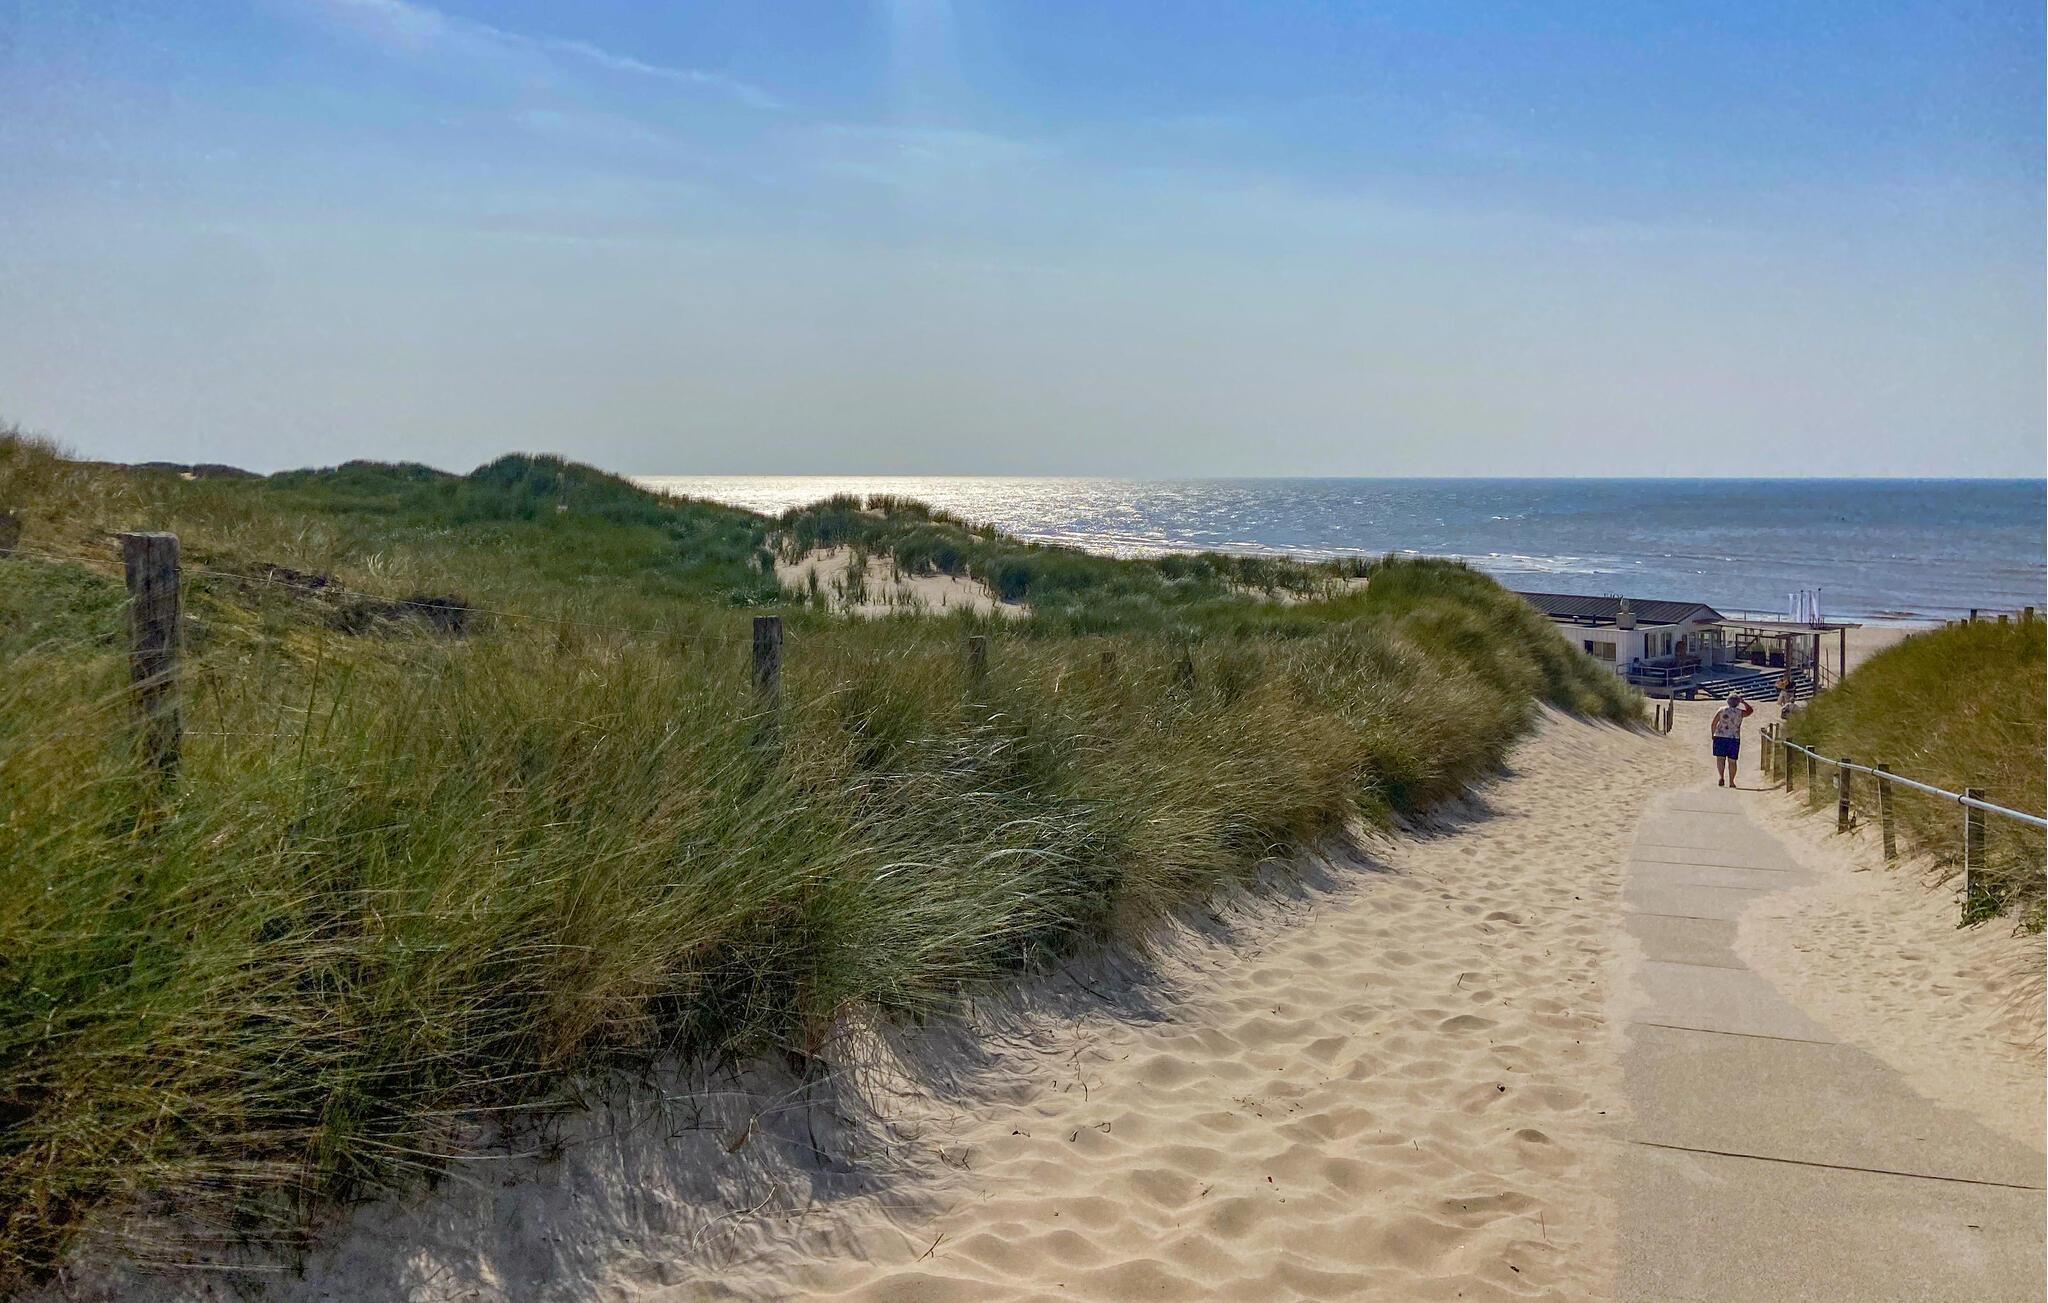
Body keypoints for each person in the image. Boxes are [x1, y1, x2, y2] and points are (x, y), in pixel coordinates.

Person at [1711, 694, 1754, 787]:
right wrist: (1744, 702)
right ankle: (1731, 781)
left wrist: (1713, 734)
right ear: (1737, 703)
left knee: (1720, 758)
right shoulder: (1740, 712)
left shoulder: (1721, 710)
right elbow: (1750, 711)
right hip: (1734, 738)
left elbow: (1714, 723)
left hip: (1720, 736)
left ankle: (1721, 777)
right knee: (1732, 761)